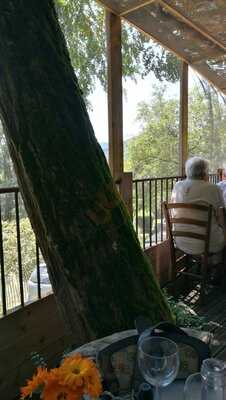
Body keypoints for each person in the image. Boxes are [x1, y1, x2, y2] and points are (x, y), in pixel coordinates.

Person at [171, 156, 225, 255]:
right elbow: (221, 217)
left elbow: (173, 212)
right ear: (204, 172)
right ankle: (216, 265)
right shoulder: (213, 188)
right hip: (208, 243)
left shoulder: (177, 186)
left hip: (180, 241)